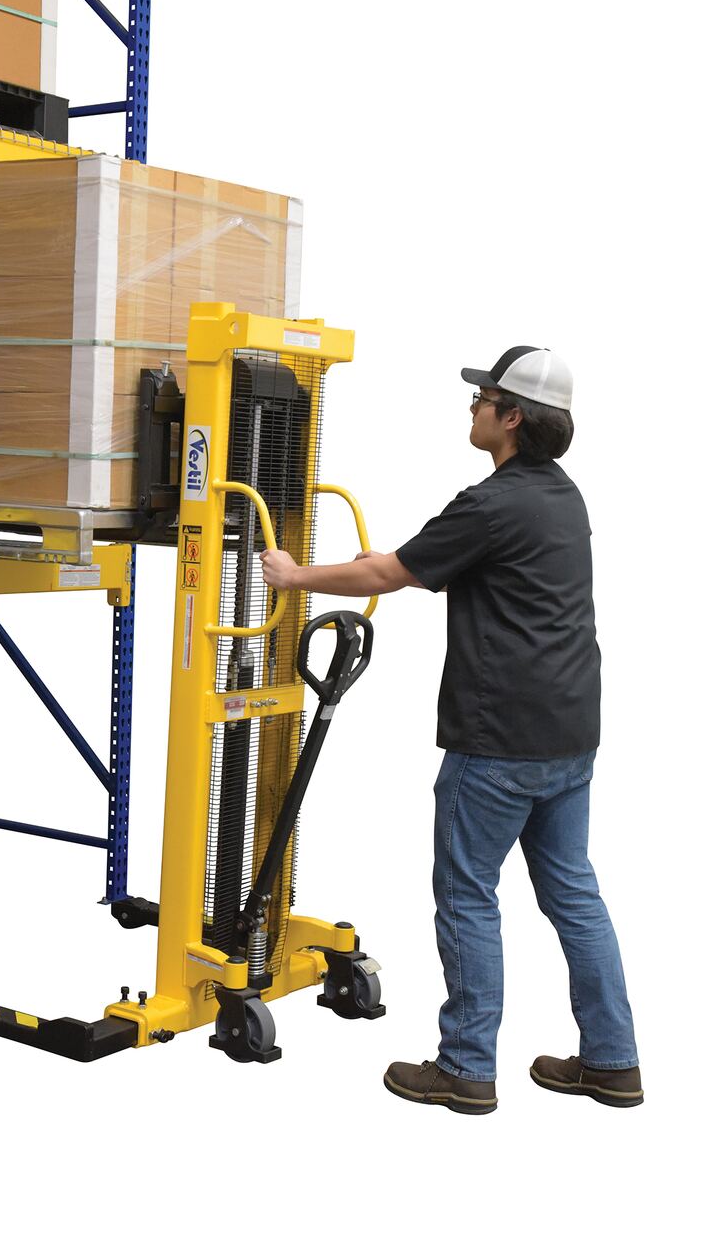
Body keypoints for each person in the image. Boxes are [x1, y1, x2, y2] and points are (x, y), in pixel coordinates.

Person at [259, 346, 640, 1114]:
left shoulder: (490, 503)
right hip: (569, 734)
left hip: (498, 743)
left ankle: (465, 1067)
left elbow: (389, 577)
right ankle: (612, 1062)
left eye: (483, 399)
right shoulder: (563, 497)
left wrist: (294, 575)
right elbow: (441, 566)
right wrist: (392, 563)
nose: (471, 408)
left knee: (467, 896)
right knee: (574, 896)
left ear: (512, 417)